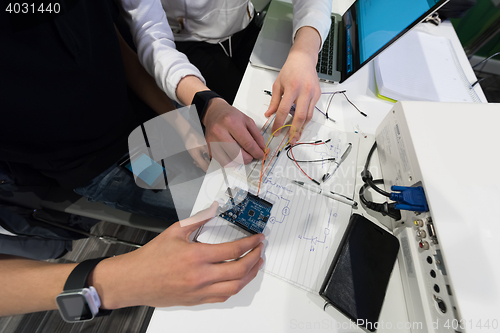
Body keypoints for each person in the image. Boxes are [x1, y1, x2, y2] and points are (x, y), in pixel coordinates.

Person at [0, 0, 263, 317]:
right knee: (237, 215)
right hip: (100, 159)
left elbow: (108, 38)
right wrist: (111, 281)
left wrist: (178, 118)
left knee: (247, 179)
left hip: (142, 115)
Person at [121, 0, 333, 144]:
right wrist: (207, 105)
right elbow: (151, 36)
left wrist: (304, 52)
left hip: (245, 23)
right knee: (249, 131)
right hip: (187, 45)